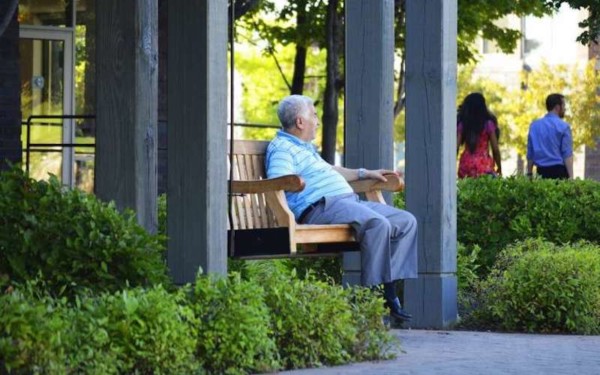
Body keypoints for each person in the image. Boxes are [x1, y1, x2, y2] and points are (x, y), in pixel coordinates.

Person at [266, 95, 418, 321]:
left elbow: (330, 170)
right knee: (377, 224)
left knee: (406, 222)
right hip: (321, 207)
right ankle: (375, 298)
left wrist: (365, 174)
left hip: (347, 202)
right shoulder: (282, 149)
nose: (317, 121)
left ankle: (388, 289)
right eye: (314, 116)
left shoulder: (305, 149)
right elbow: (278, 180)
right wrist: (300, 183)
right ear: (300, 122)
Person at [526, 93, 573, 179]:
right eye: (564, 105)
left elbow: (530, 153)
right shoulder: (564, 126)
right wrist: (571, 178)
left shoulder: (534, 126)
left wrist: (529, 173)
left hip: (541, 172)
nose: (565, 109)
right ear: (557, 107)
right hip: (559, 173)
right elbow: (567, 154)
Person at [456, 92, 502, 178]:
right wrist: (499, 167)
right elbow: (495, 149)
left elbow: (456, 146)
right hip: (484, 166)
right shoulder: (488, 124)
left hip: (465, 165)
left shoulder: (463, 124)